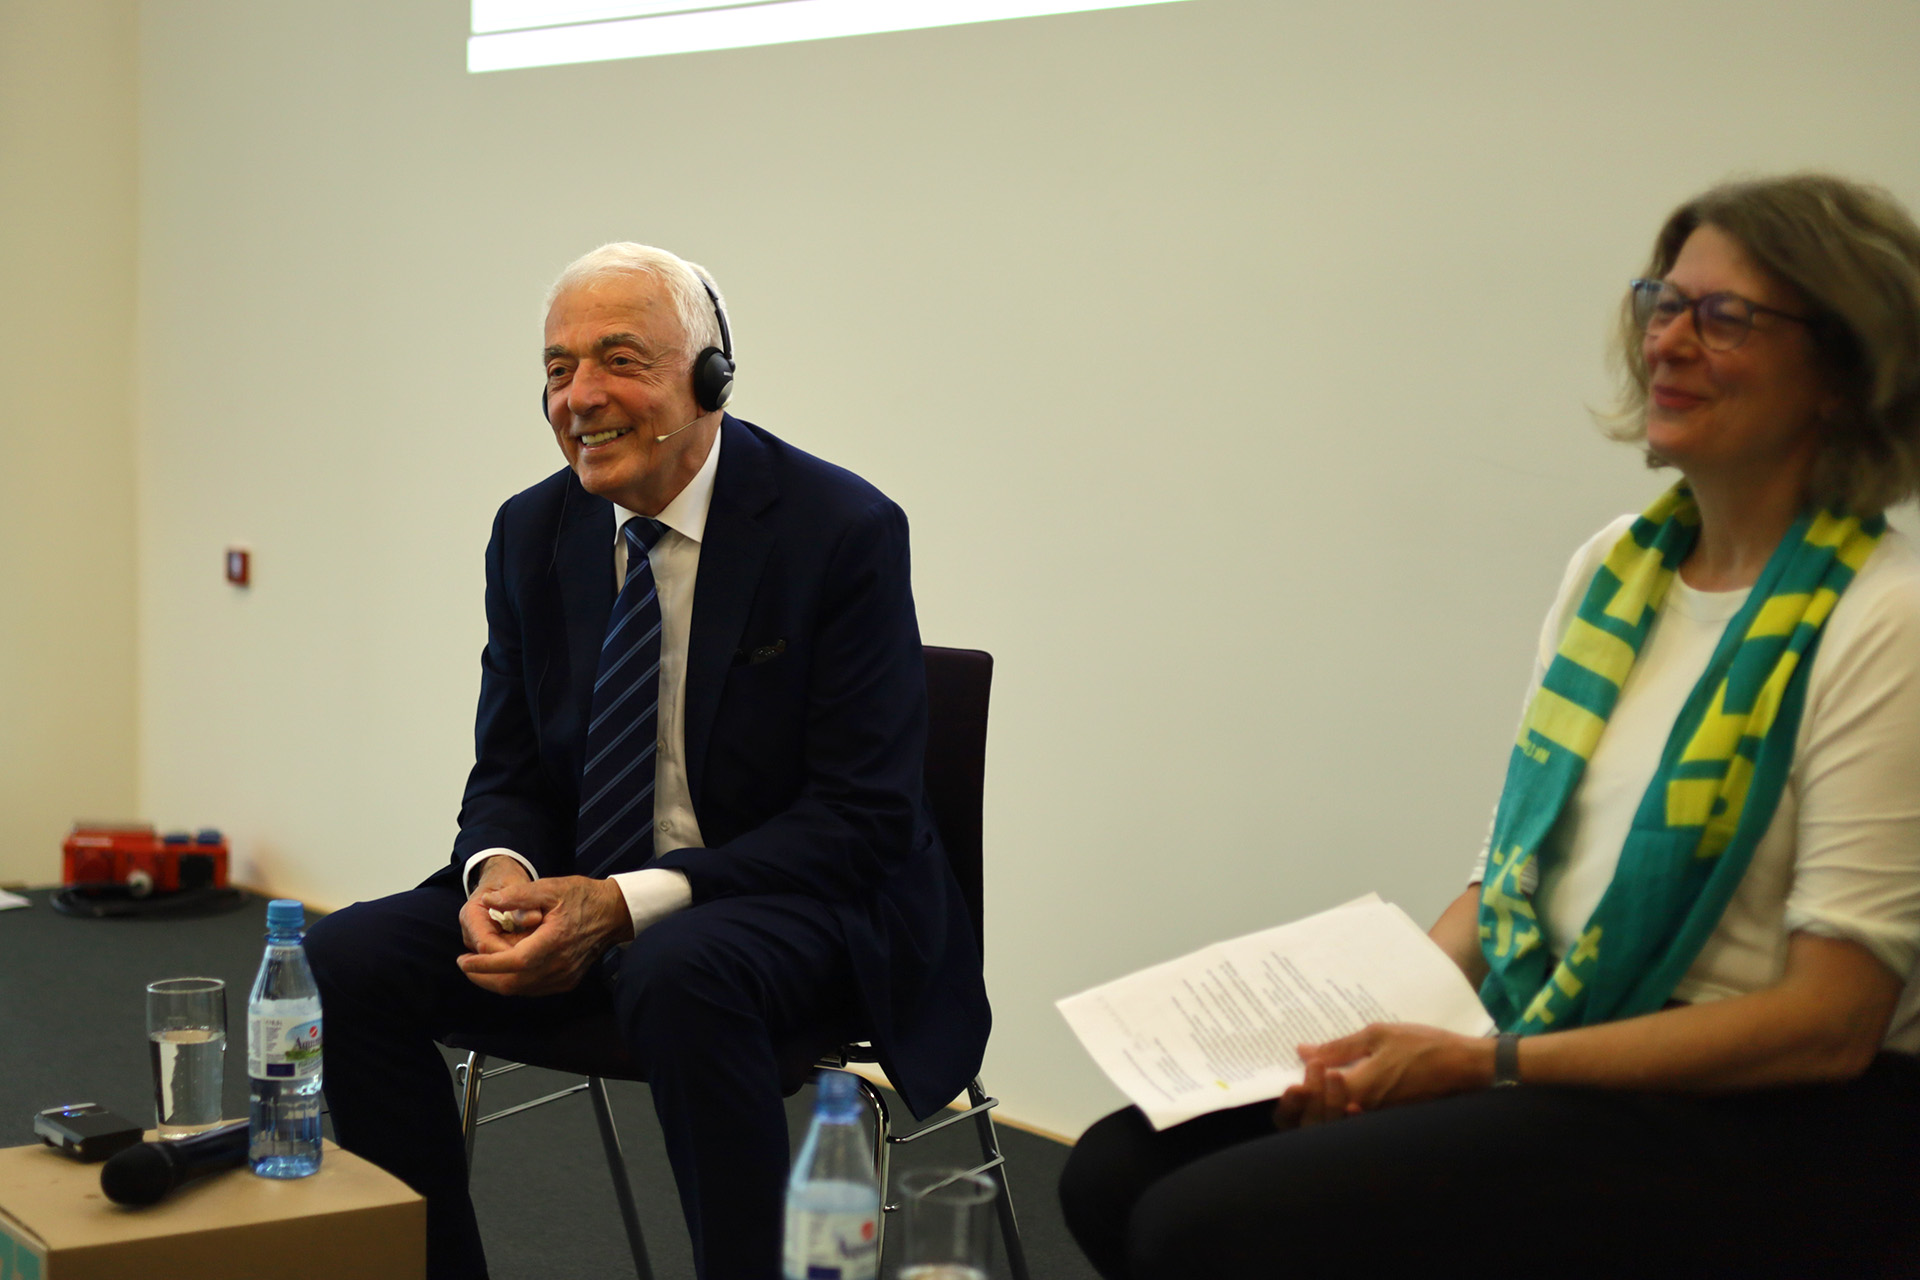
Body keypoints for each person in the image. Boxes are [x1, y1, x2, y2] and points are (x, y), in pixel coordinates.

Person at [1059, 173, 1920, 1279]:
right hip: (1551, 1033)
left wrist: (1488, 1064)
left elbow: (1829, 1020)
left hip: (1777, 1112)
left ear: (1847, 371)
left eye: (1726, 317)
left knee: (1212, 1227)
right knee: (1112, 1169)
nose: (1668, 342)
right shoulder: (1619, 569)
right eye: (1662, 303)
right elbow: (1511, 872)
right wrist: (1359, 1034)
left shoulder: (1884, 619)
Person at [305, 243, 989, 1280]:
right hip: (594, 896)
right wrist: (504, 875)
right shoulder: (534, 530)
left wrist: (623, 904)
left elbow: (861, 817)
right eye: (556, 369)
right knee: (349, 954)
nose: (579, 397)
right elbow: (512, 767)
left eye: (617, 360)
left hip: (799, 896)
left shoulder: (838, 529)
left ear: (710, 377)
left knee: (681, 967)